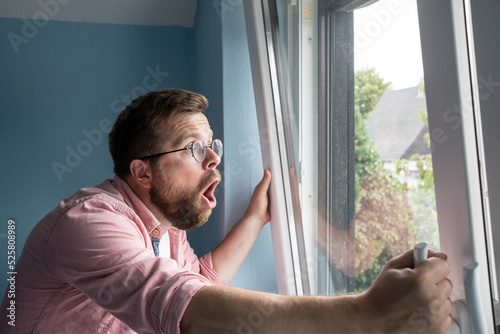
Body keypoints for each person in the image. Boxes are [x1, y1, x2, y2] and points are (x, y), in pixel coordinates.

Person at [1, 89, 452, 333]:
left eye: (212, 145)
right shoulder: (89, 223)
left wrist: (256, 218)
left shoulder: (165, 229)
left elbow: (199, 280)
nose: (215, 159)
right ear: (142, 172)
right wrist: (366, 315)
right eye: (195, 148)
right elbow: (182, 305)